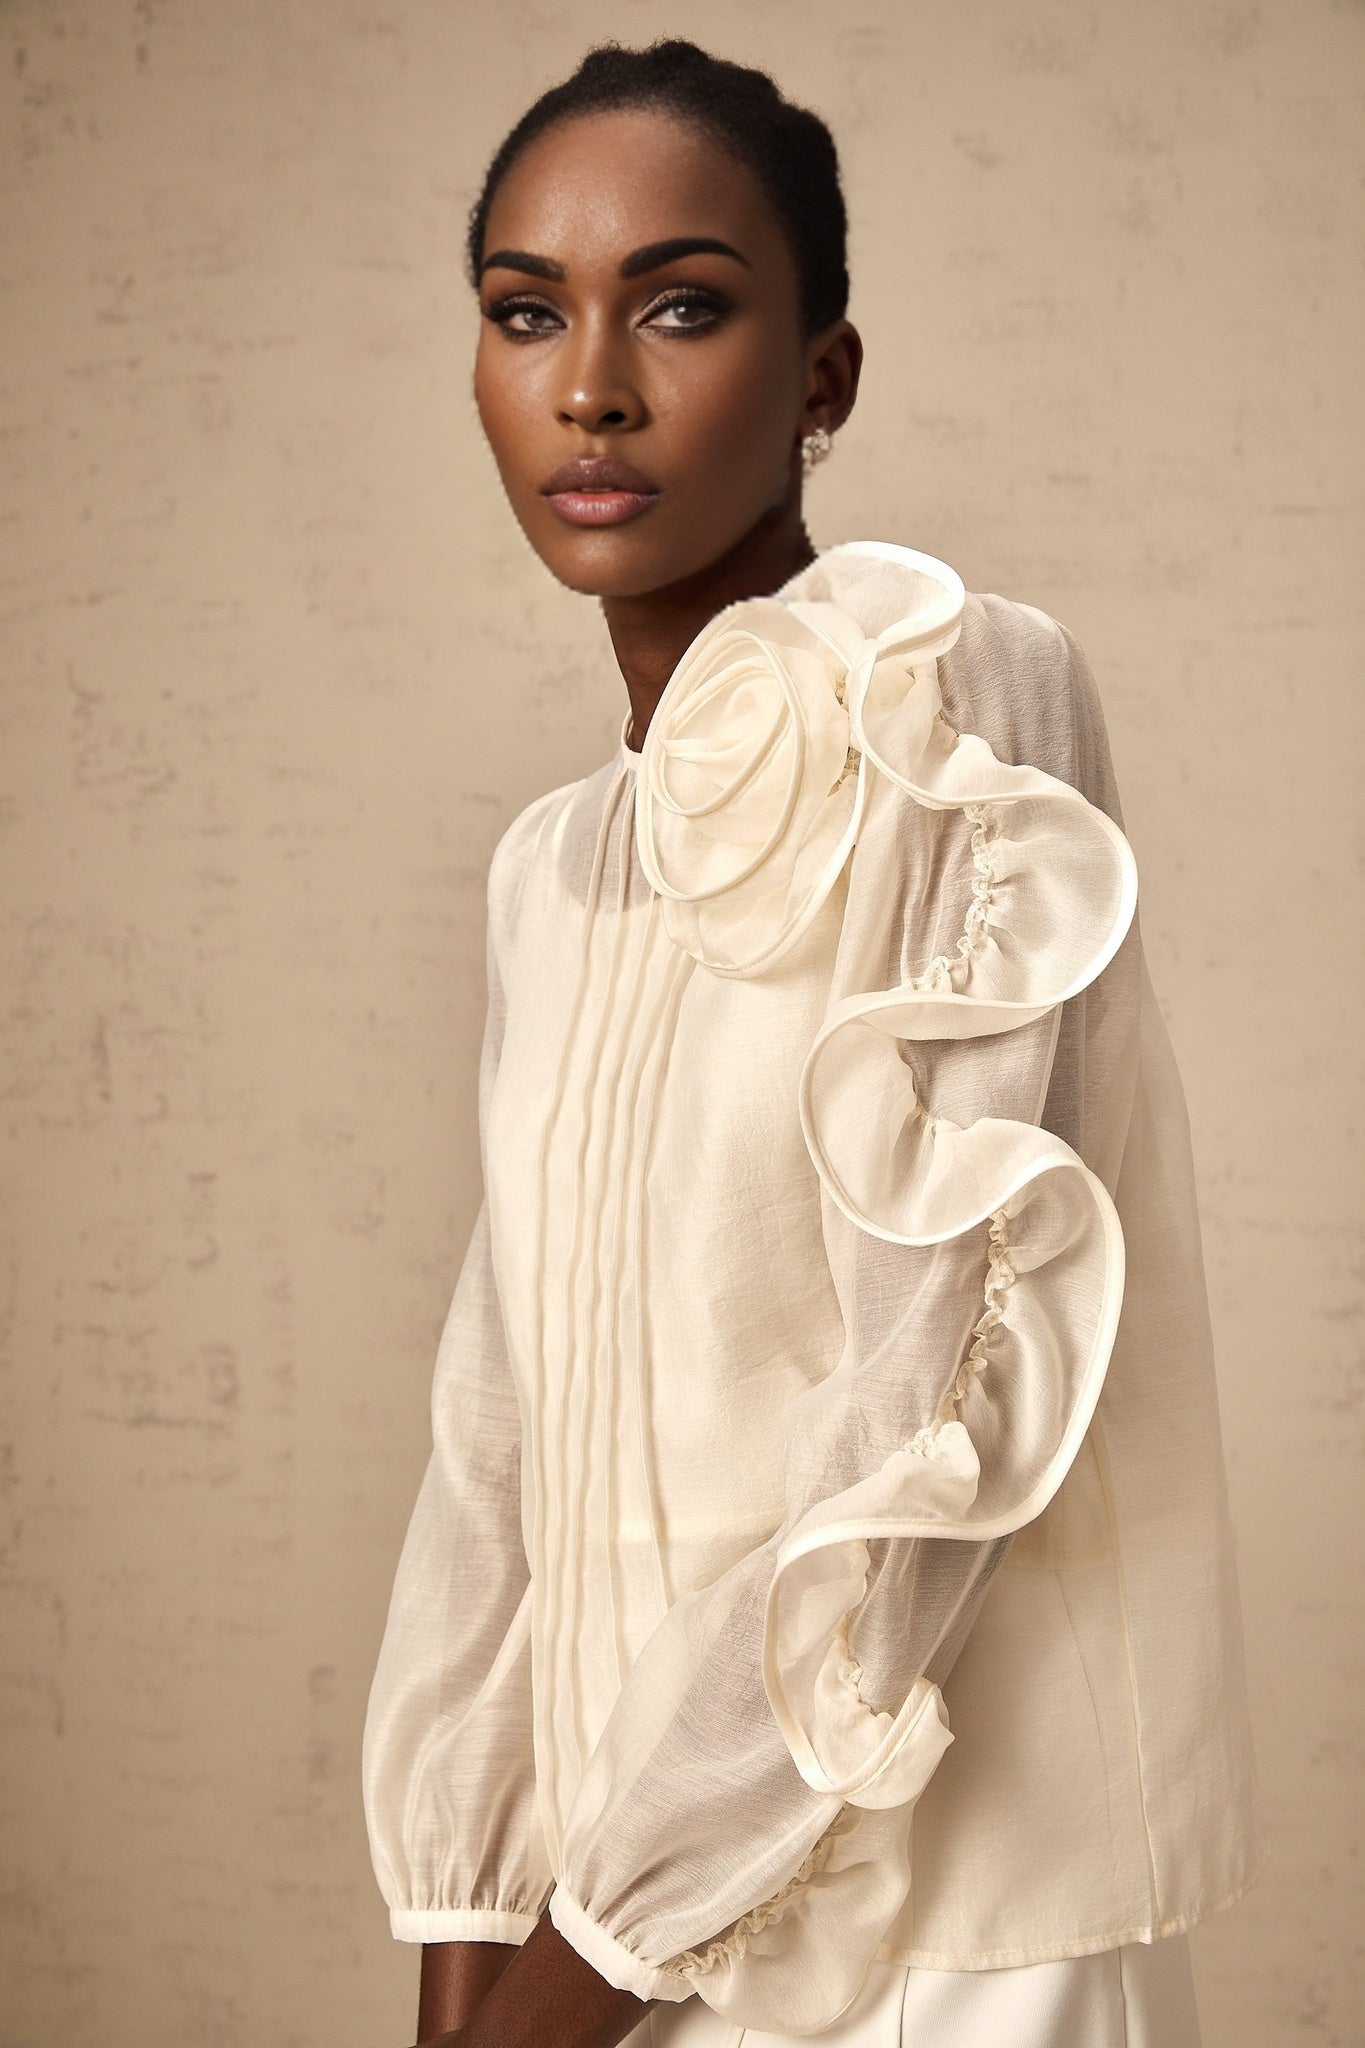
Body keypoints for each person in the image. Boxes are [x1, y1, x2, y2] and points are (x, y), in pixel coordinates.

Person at [361, 38, 1264, 2048]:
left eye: (678, 304)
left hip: (947, 1940)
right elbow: (495, 1453)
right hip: (607, 1921)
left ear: (823, 377)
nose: (588, 384)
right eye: (526, 315)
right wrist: (467, 1942)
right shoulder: (549, 870)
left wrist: (578, 1972)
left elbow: (930, 1385)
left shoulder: (955, 698)